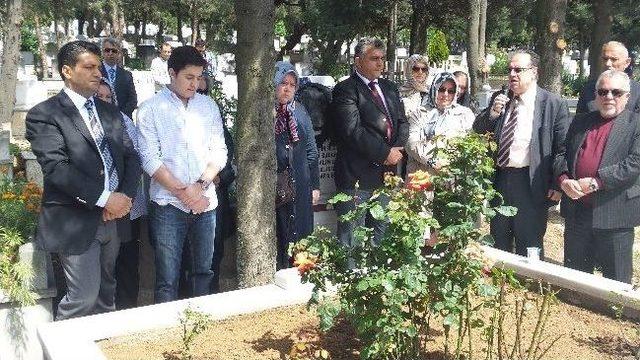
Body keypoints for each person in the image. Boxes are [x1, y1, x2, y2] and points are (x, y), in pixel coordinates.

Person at [25, 40, 141, 320]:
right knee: (82, 298)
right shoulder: (45, 115)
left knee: (105, 297)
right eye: (89, 67)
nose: (97, 73)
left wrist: (123, 198)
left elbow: (131, 158)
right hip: (75, 220)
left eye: (99, 67)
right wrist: (105, 199)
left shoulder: (109, 112)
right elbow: (57, 168)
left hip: (112, 220)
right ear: (67, 70)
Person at [136, 45, 227, 303]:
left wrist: (200, 185)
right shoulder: (150, 109)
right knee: (167, 277)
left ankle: (202, 324)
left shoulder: (208, 107)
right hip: (168, 205)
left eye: (199, 78)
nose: (195, 84)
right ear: (172, 73)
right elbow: (150, 159)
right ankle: (168, 333)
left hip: (205, 203)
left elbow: (219, 151)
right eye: (189, 77)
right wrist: (184, 193)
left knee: (203, 271)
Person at [473, 49, 569, 257]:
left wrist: (556, 184)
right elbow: (478, 130)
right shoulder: (501, 98)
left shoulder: (552, 104)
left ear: (534, 72)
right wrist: (492, 114)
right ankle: (501, 284)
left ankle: (532, 284)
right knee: (499, 238)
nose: (512, 74)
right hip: (500, 180)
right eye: (510, 70)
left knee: (530, 240)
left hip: (531, 182)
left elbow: (562, 148)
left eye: (518, 70)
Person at [555, 70, 640, 284]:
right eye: (603, 92)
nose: (608, 97)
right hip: (578, 213)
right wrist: (564, 178)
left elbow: (635, 162)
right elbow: (561, 153)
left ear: (627, 97)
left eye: (616, 92)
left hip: (614, 213)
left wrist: (598, 181)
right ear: (595, 95)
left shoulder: (636, 124)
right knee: (575, 280)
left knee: (616, 285)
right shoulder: (581, 121)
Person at [331, 37, 409, 248]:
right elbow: (352, 131)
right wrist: (385, 153)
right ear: (358, 61)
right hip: (356, 177)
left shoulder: (390, 88)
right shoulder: (346, 89)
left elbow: (402, 122)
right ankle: (350, 279)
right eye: (374, 58)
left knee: (381, 238)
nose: (380, 63)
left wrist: (397, 149)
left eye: (382, 58)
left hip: (386, 177)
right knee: (352, 241)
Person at [95, 78, 146, 309]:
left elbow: (135, 159)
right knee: (101, 272)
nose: (105, 101)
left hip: (126, 207)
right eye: (99, 97)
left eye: (108, 97)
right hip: (96, 209)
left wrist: (124, 198)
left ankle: (127, 310)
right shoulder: (86, 123)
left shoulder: (123, 121)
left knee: (126, 264)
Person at [274, 61, 320, 269]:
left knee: (301, 238)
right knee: (279, 238)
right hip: (275, 188)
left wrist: (315, 185)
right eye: (283, 82)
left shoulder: (300, 112)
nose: (287, 88)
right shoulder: (265, 113)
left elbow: (311, 150)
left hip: (300, 185)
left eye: (292, 85)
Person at [405, 72, 475, 175]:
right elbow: (411, 143)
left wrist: (451, 163)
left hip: (452, 175)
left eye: (451, 91)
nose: (446, 94)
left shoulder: (465, 114)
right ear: (434, 88)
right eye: (441, 89)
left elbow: (471, 143)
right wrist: (432, 161)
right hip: (422, 174)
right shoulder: (419, 113)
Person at [576, 41, 640, 114]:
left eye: (614, 59)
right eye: (605, 59)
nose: (608, 64)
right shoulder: (589, 89)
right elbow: (579, 121)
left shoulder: (637, 92)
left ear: (627, 62)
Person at [100, 37, 138, 118]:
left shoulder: (127, 75)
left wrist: (121, 115)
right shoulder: (96, 73)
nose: (110, 53)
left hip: (122, 119)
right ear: (102, 52)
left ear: (119, 53)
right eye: (107, 50)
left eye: (114, 51)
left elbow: (133, 100)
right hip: (101, 117)